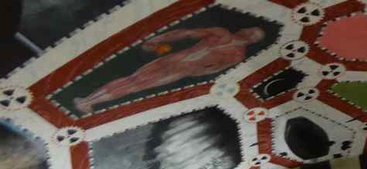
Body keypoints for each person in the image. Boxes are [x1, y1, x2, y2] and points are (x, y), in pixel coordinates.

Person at [73, 26, 265, 114]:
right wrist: (159, 39)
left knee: (135, 86)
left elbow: (212, 70)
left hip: (182, 69)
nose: (249, 34)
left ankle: (90, 102)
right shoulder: (222, 33)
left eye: (253, 36)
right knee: (131, 79)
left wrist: (193, 71)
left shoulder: (237, 55)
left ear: (253, 42)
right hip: (174, 58)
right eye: (250, 30)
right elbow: (187, 33)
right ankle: (87, 100)